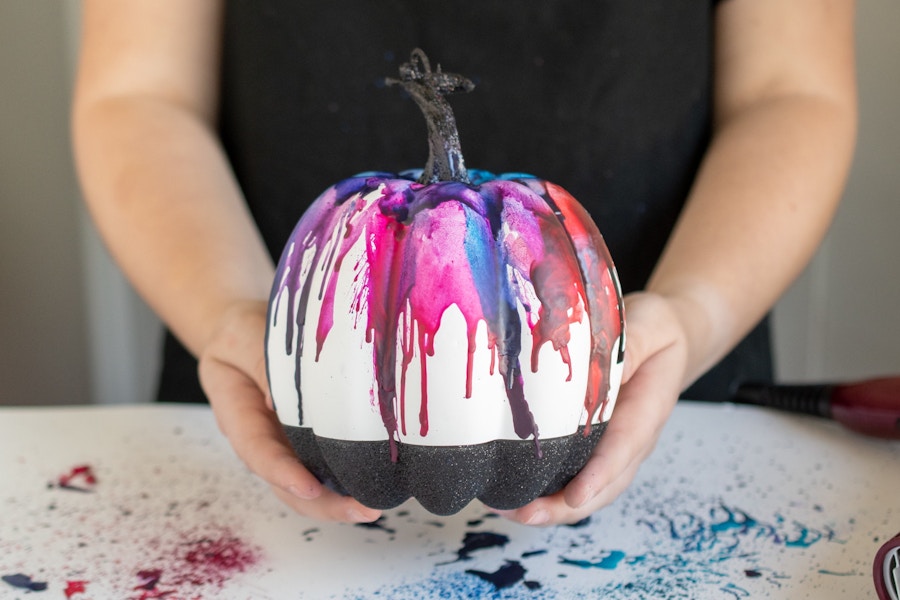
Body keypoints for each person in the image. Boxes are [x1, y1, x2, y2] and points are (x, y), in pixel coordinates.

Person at [71, 0, 857, 526]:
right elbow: (139, 91)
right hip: (271, 361)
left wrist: (694, 310)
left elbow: (791, 89)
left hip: (660, 377)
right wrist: (225, 312)